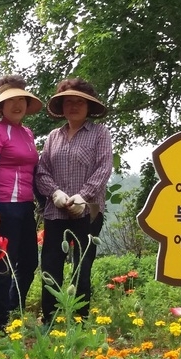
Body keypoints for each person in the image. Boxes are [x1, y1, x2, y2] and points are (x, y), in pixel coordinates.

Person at [36, 77, 112, 323]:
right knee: (50, 266)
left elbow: (104, 168)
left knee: (82, 266)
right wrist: (55, 193)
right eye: (69, 102)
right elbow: (42, 171)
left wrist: (84, 195)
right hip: (55, 213)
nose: (74, 106)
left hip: (86, 212)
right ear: (62, 107)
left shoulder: (100, 133)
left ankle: (80, 319)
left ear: (89, 106)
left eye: (80, 102)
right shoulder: (53, 137)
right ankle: (51, 319)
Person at [0, 75, 43, 332]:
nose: (17, 105)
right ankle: (0, 320)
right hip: (5, 206)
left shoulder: (27, 133)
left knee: (29, 262)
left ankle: (13, 308)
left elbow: (34, 170)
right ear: (1, 107)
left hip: (26, 206)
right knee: (5, 263)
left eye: (21, 100)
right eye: (10, 101)